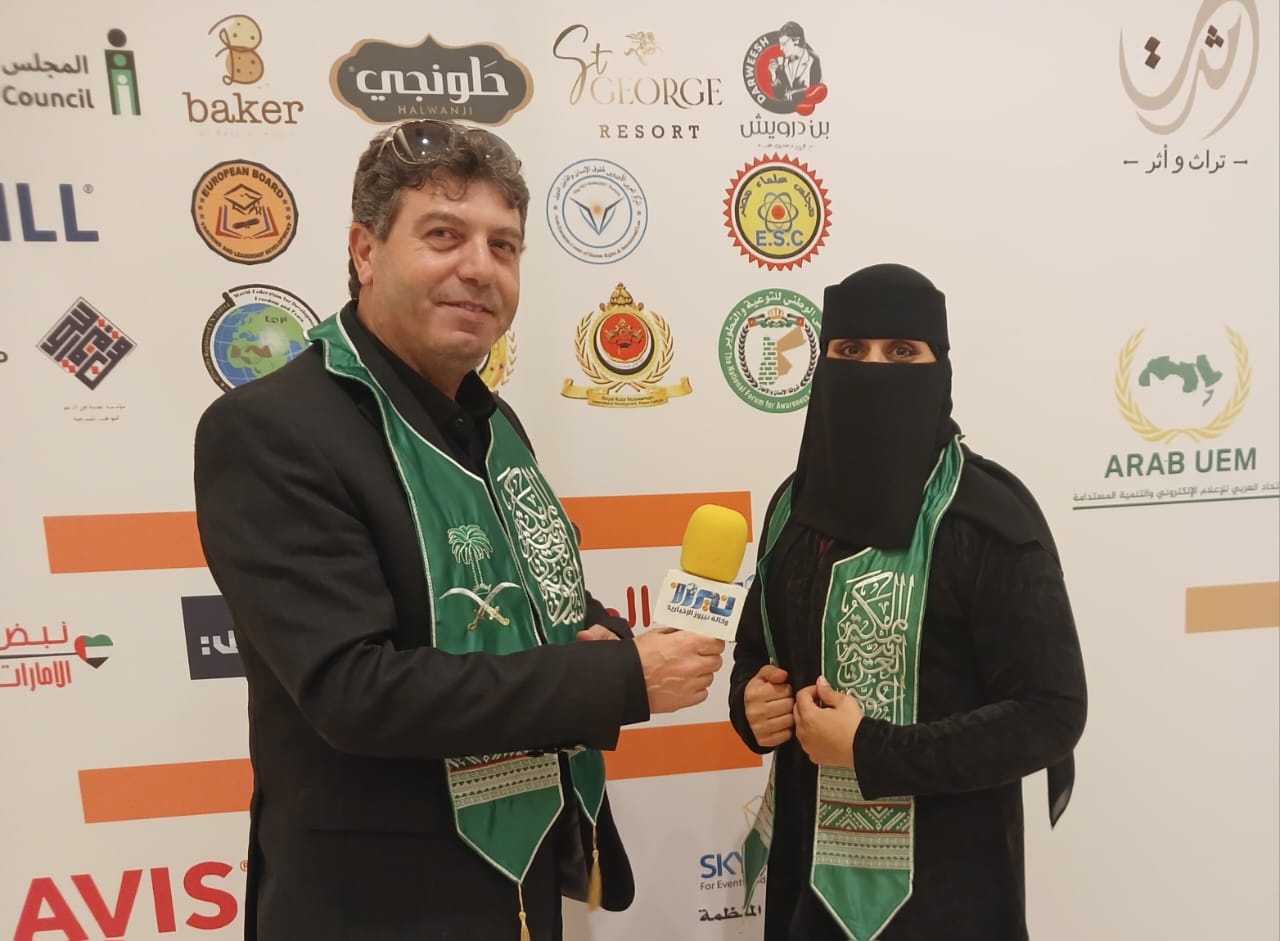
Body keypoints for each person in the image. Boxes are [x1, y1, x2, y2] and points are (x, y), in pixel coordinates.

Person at [193, 119, 725, 941]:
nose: (479, 267)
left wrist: (616, 641)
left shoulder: (493, 423)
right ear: (365, 251)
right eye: (444, 235)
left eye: (503, 245)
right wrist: (620, 679)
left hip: (519, 883)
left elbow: (541, 603)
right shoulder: (272, 429)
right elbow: (355, 690)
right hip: (375, 908)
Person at [728, 263, 1087, 940]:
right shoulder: (793, 509)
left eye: (901, 352)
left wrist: (872, 749)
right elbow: (758, 649)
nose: (873, 369)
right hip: (807, 888)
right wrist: (751, 703)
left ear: (938, 366)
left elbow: (1051, 712)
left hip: (952, 896)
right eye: (850, 350)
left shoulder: (985, 518)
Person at [769, 21, 821, 103]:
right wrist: (773, 74)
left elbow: (816, 92)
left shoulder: (813, 60)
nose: (781, 49)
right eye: (780, 45)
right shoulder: (783, 63)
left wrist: (794, 94)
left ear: (796, 40)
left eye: (784, 44)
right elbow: (779, 95)